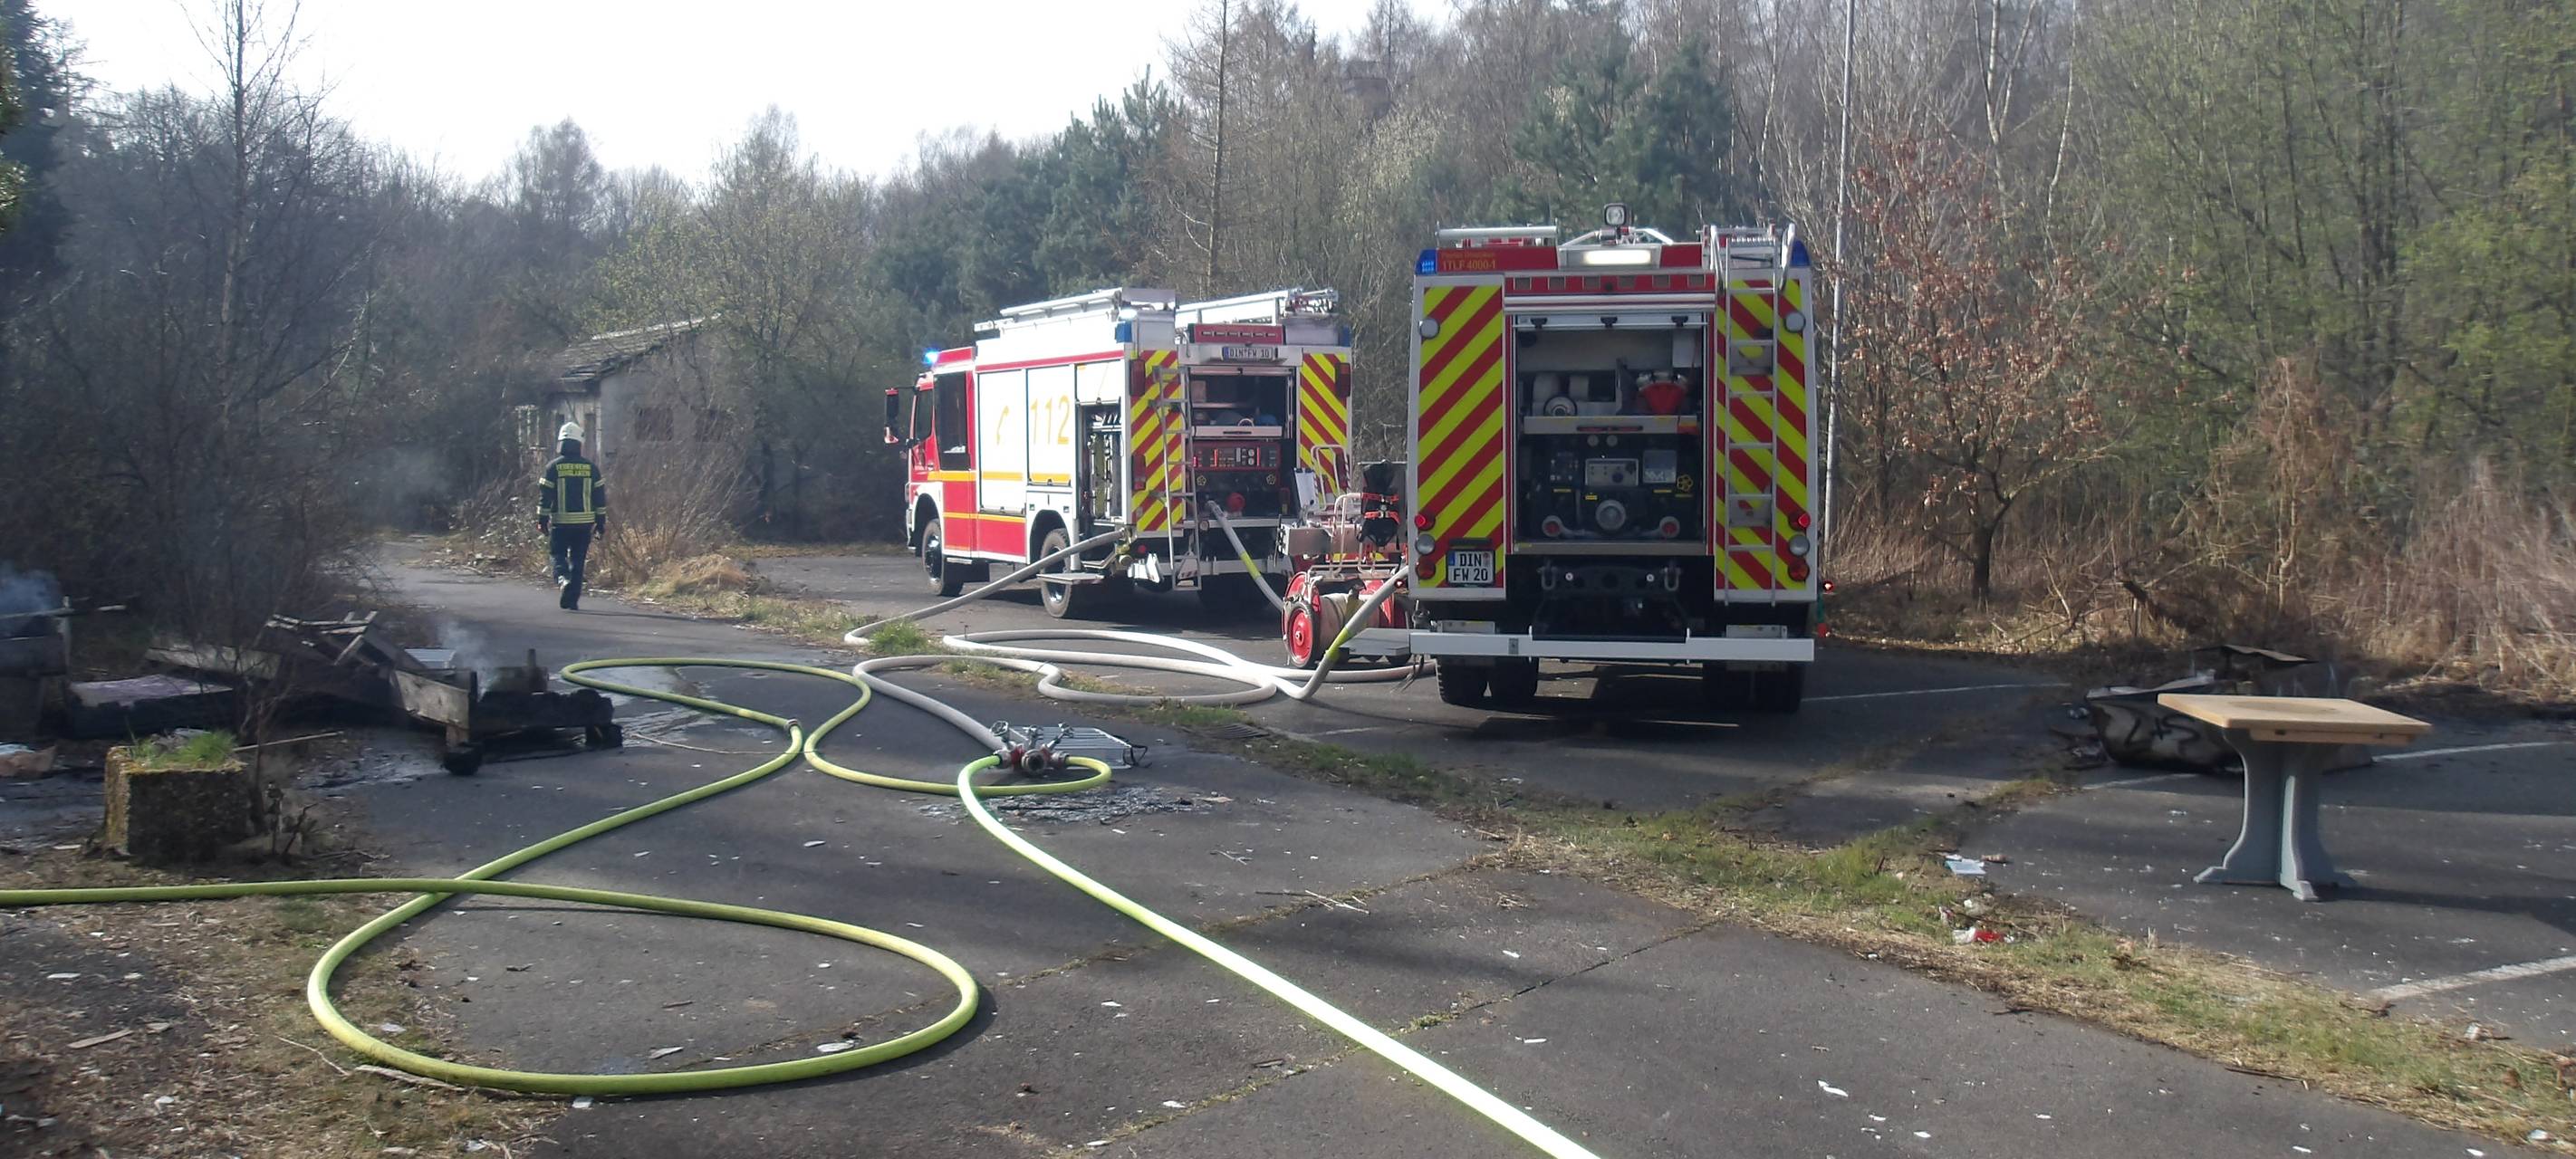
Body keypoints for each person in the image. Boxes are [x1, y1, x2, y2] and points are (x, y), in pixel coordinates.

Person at [536, 422, 607, 610]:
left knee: (557, 554)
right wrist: (601, 523)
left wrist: (542, 520)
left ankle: (562, 578)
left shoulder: (553, 468)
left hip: (561, 523)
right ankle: (572, 601)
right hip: (584, 524)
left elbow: (545, 497)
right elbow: (600, 499)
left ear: (561, 443)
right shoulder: (592, 468)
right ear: (579, 443)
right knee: (578, 560)